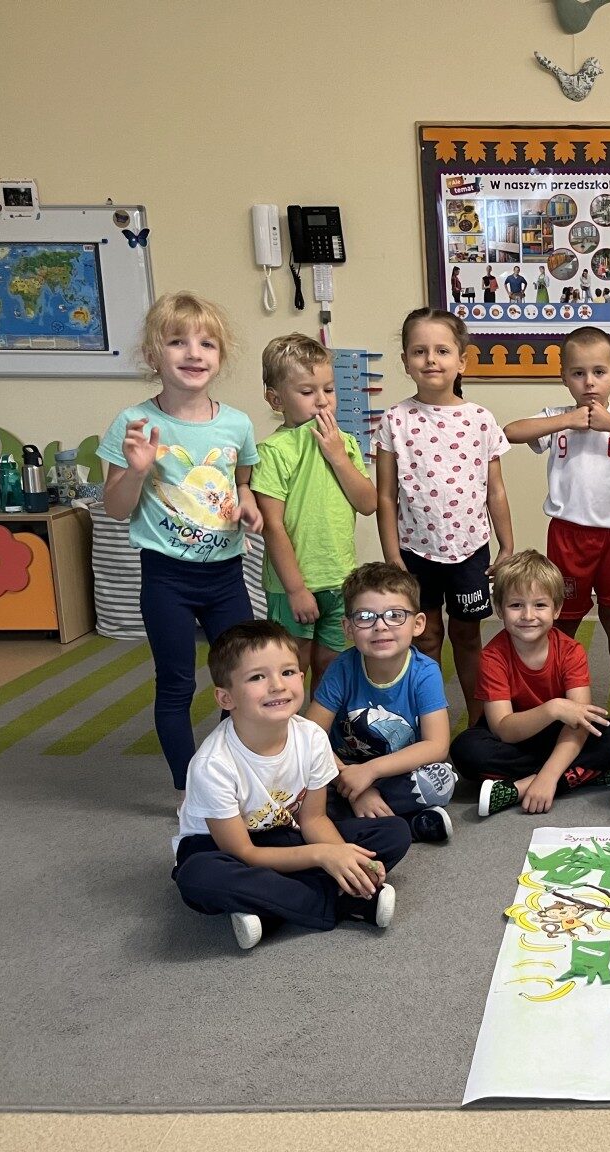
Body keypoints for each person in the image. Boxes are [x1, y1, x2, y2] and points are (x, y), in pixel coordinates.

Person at [99, 292, 262, 794]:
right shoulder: (135, 423)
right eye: (177, 342)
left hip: (226, 577)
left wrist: (247, 502)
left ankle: (229, 774)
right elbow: (116, 508)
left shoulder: (236, 423)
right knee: (177, 682)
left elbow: (242, 481)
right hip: (166, 578)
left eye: (206, 343)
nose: (194, 353)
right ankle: (189, 789)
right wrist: (136, 470)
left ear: (220, 356)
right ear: (154, 355)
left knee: (244, 677)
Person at [172, 621, 408, 951]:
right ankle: (339, 901)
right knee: (199, 877)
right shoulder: (213, 765)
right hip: (221, 847)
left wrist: (339, 855)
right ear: (226, 697)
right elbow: (244, 852)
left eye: (287, 672)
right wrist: (322, 856)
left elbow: (314, 819)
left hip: (285, 831)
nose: (277, 686)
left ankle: (269, 907)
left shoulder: (312, 737)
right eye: (257, 677)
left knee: (394, 832)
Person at [503, 326, 610, 726]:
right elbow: (510, 432)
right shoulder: (558, 417)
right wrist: (568, 419)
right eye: (578, 373)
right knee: (563, 619)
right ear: (564, 377)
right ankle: (558, 691)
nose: (589, 382)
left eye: (599, 372)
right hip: (567, 536)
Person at [375, 307, 513, 726]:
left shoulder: (480, 420)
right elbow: (385, 496)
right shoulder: (395, 420)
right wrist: (392, 556)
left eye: (441, 350)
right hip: (415, 552)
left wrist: (506, 545)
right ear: (405, 361)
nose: (431, 359)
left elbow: (495, 490)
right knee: (426, 635)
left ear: (461, 360)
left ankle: (478, 724)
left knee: (468, 635)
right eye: (419, 351)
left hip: (470, 550)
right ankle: (428, 724)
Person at [450, 550, 610, 815]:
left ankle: (522, 786)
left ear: (556, 609)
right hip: (515, 736)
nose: (528, 615)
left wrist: (547, 777)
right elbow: (504, 729)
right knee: (466, 750)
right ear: (500, 609)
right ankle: (580, 773)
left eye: (539, 605)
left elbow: (580, 722)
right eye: (516, 605)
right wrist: (553, 708)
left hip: (562, 734)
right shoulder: (492, 657)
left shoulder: (571, 651)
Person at [251, 334, 377, 694]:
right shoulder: (273, 450)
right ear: (276, 399)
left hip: (338, 578)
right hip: (294, 585)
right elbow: (272, 525)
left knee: (331, 665)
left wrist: (338, 457)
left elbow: (367, 503)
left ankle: (322, 727)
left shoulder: (345, 442)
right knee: (292, 666)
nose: (322, 401)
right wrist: (296, 590)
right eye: (307, 392)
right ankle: (285, 726)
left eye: (329, 390)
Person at [305, 562, 457, 845]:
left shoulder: (425, 672)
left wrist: (370, 772)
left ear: (418, 624)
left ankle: (361, 822)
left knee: (442, 780)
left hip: (396, 771)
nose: (380, 626)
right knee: (302, 787)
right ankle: (409, 825)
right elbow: (309, 735)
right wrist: (352, 785)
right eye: (365, 617)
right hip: (341, 771)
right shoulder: (342, 668)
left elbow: (437, 746)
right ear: (348, 628)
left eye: (395, 615)